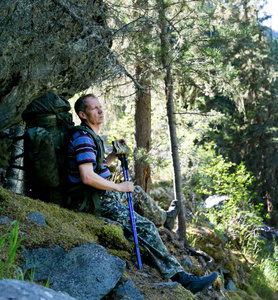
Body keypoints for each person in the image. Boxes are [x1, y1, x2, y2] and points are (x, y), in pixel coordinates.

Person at [66, 94, 218, 294]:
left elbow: (96, 167)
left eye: (100, 106)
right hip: (92, 201)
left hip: (99, 195)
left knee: (136, 191)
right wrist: (119, 187)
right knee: (145, 227)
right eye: (94, 108)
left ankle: (165, 219)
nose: (100, 111)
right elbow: (87, 176)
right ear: (83, 115)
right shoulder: (83, 138)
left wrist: (112, 155)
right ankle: (180, 277)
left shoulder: (90, 136)